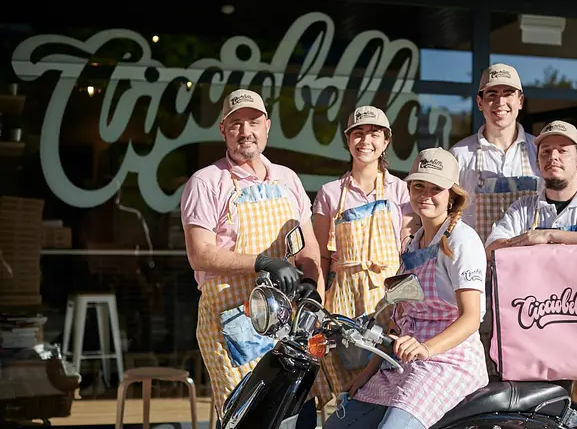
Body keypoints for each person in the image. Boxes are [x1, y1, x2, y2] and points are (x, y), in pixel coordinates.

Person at [180, 89, 324, 427]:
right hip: (234, 321)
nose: (246, 132)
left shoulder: (287, 179)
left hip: (285, 321)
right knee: (247, 418)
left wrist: (310, 283)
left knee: (295, 414)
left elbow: (308, 248)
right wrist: (263, 262)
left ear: (267, 126)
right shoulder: (206, 182)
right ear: (223, 130)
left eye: (253, 122)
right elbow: (199, 254)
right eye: (236, 124)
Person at [323, 148, 489, 429]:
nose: (425, 195)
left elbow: (471, 318)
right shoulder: (413, 243)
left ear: (452, 195)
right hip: (404, 362)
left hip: (448, 363)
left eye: (436, 188)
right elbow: (398, 321)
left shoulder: (463, 240)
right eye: (418, 186)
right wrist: (368, 372)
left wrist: (425, 348)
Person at [484, 120, 577, 407]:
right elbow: (493, 249)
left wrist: (549, 236)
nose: (553, 157)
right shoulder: (522, 209)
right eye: (546, 151)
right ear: (538, 161)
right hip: (535, 336)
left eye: (562, 150)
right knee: (541, 417)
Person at [311, 106, 418, 409]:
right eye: (358, 133)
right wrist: (317, 304)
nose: (365, 141)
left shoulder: (401, 191)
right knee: (346, 389)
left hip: (387, 299)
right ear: (348, 140)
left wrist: (406, 306)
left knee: (385, 382)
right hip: (342, 300)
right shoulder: (330, 193)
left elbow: (408, 251)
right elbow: (320, 256)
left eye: (374, 134)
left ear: (386, 142)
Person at [449, 62, 541, 375]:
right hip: (479, 277)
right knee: (481, 357)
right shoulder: (460, 155)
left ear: (520, 101)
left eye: (507, 94)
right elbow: (448, 218)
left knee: (529, 355)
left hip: (532, 277)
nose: (499, 102)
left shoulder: (540, 152)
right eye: (491, 94)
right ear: (479, 102)